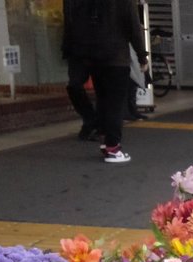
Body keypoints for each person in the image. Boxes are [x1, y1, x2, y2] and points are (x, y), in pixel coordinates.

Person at [63, 0, 148, 163]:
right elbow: (133, 28)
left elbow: (72, 24)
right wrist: (142, 56)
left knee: (103, 100)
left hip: (93, 58)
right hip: (116, 58)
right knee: (115, 104)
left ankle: (104, 139)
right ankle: (113, 147)